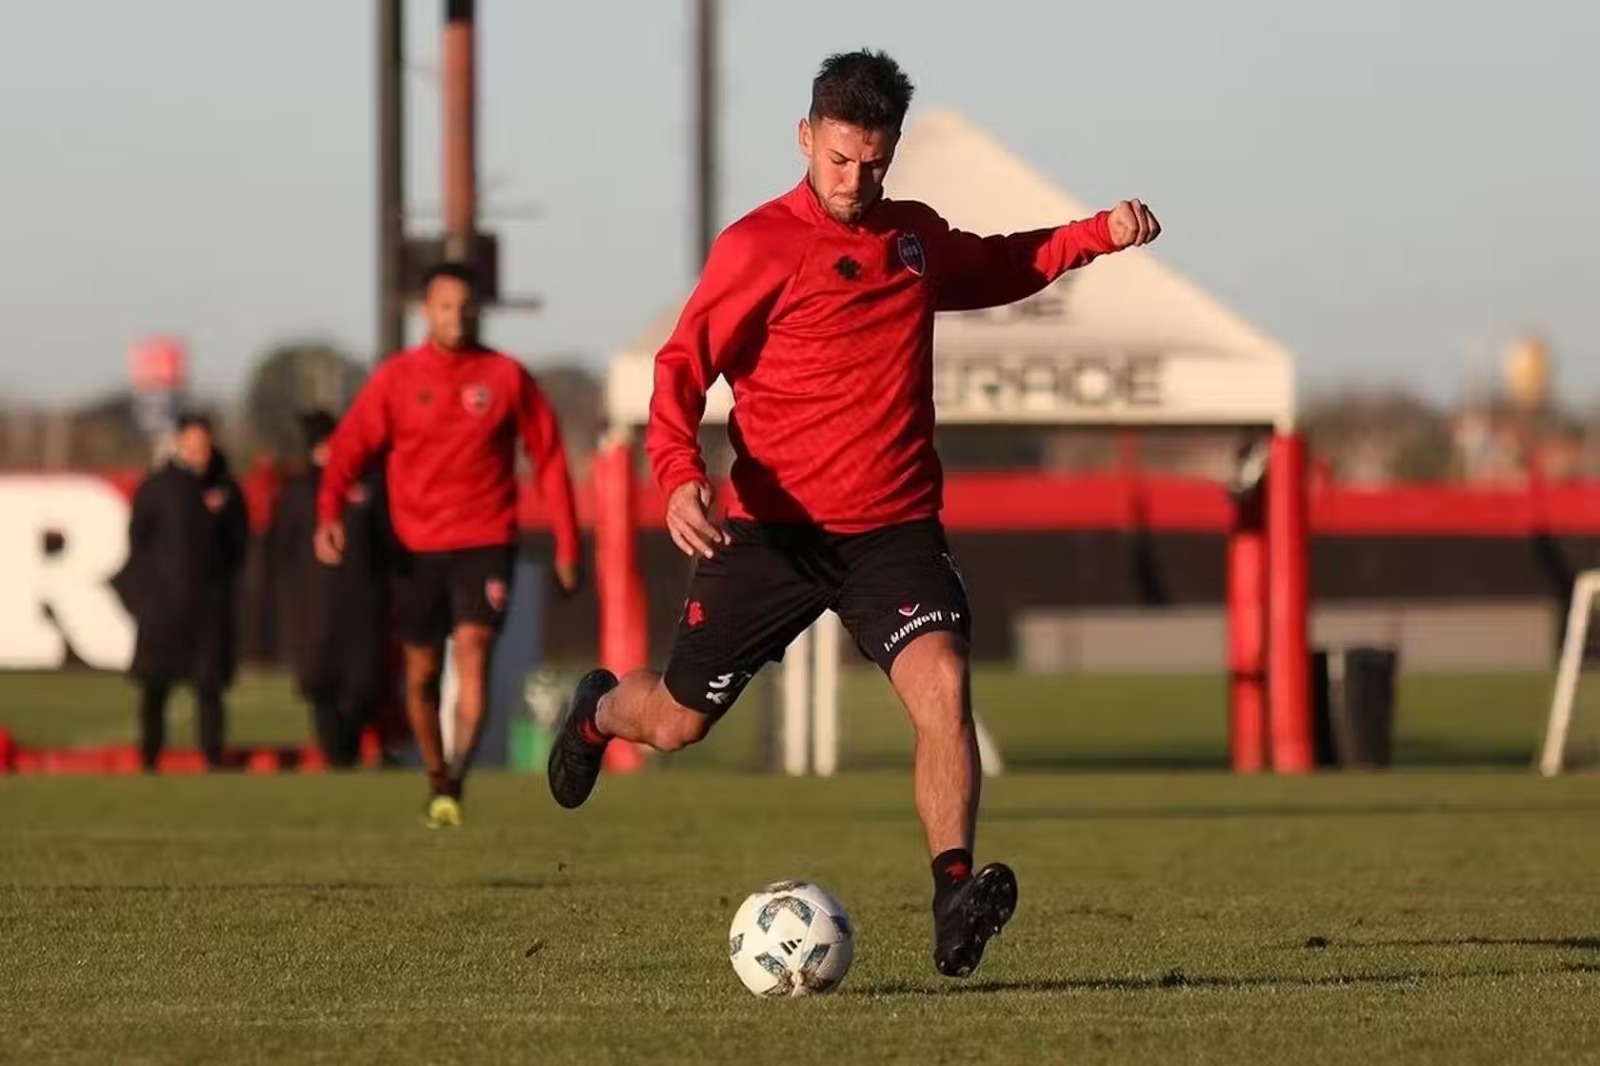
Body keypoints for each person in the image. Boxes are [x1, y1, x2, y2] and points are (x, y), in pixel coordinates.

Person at [546, 50, 1161, 978]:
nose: (856, 180)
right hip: (770, 533)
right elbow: (680, 367)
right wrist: (676, 473)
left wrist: (1098, 234)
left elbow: (1002, 265)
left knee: (944, 684)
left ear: (893, 151)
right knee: (675, 722)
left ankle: (954, 892)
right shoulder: (756, 246)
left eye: (874, 162)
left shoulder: (910, 238)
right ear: (806, 138)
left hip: (893, 531)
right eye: (840, 159)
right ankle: (597, 712)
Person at [316, 262, 582, 827]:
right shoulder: (397, 380)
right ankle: (436, 772)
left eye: (465, 306)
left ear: (478, 311)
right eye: (443, 306)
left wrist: (566, 541)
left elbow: (550, 457)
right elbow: (347, 449)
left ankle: (456, 775)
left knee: (474, 651)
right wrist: (328, 513)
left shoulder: (506, 377)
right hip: (416, 547)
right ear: (425, 311)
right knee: (420, 671)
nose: (455, 316)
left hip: (485, 540)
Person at [113, 414, 250, 772]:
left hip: (208, 608)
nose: (198, 452)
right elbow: (137, 544)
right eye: (192, 445)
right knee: (154, 687)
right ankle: (149, 757)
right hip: (163, 609)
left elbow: (240, 544)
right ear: (178, 444)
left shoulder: (226, 489)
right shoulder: (156, 488)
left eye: (204, 445)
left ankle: (214, 758)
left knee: (209, 688)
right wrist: (148, 596)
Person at [272, 410, 391, 768]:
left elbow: (386, 540)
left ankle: (350, 748)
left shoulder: (368, 484)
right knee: (320, 683)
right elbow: (282, 551)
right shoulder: (297, 492)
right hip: (315, 605)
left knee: (361, 683)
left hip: (363, 600)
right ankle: (336, 756)